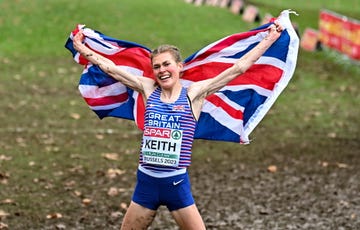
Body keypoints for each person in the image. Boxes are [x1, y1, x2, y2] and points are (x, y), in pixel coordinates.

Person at [72, 22, 283, 229]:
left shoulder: (194, 94)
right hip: (146, 184)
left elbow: (238, 68)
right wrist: (80, 47)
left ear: (179, 67)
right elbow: (110, 68)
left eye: (166, 64)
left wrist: (269, 39)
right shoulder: (147, 88)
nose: (161, 70)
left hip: (176, 185)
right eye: (156, 66)